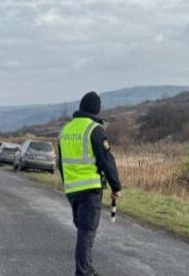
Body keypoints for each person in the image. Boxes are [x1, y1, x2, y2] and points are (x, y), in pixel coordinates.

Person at [58, 92, 122, 276]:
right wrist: (116, 187)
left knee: (83, 230)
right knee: (87, 233)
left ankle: (87, 269)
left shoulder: (66, 130)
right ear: (97, 109)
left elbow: (61, 163)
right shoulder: (94, 129)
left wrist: (68, 183)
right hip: (89, 190)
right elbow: (106, 161)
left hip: (72, 190)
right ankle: (83, 272)